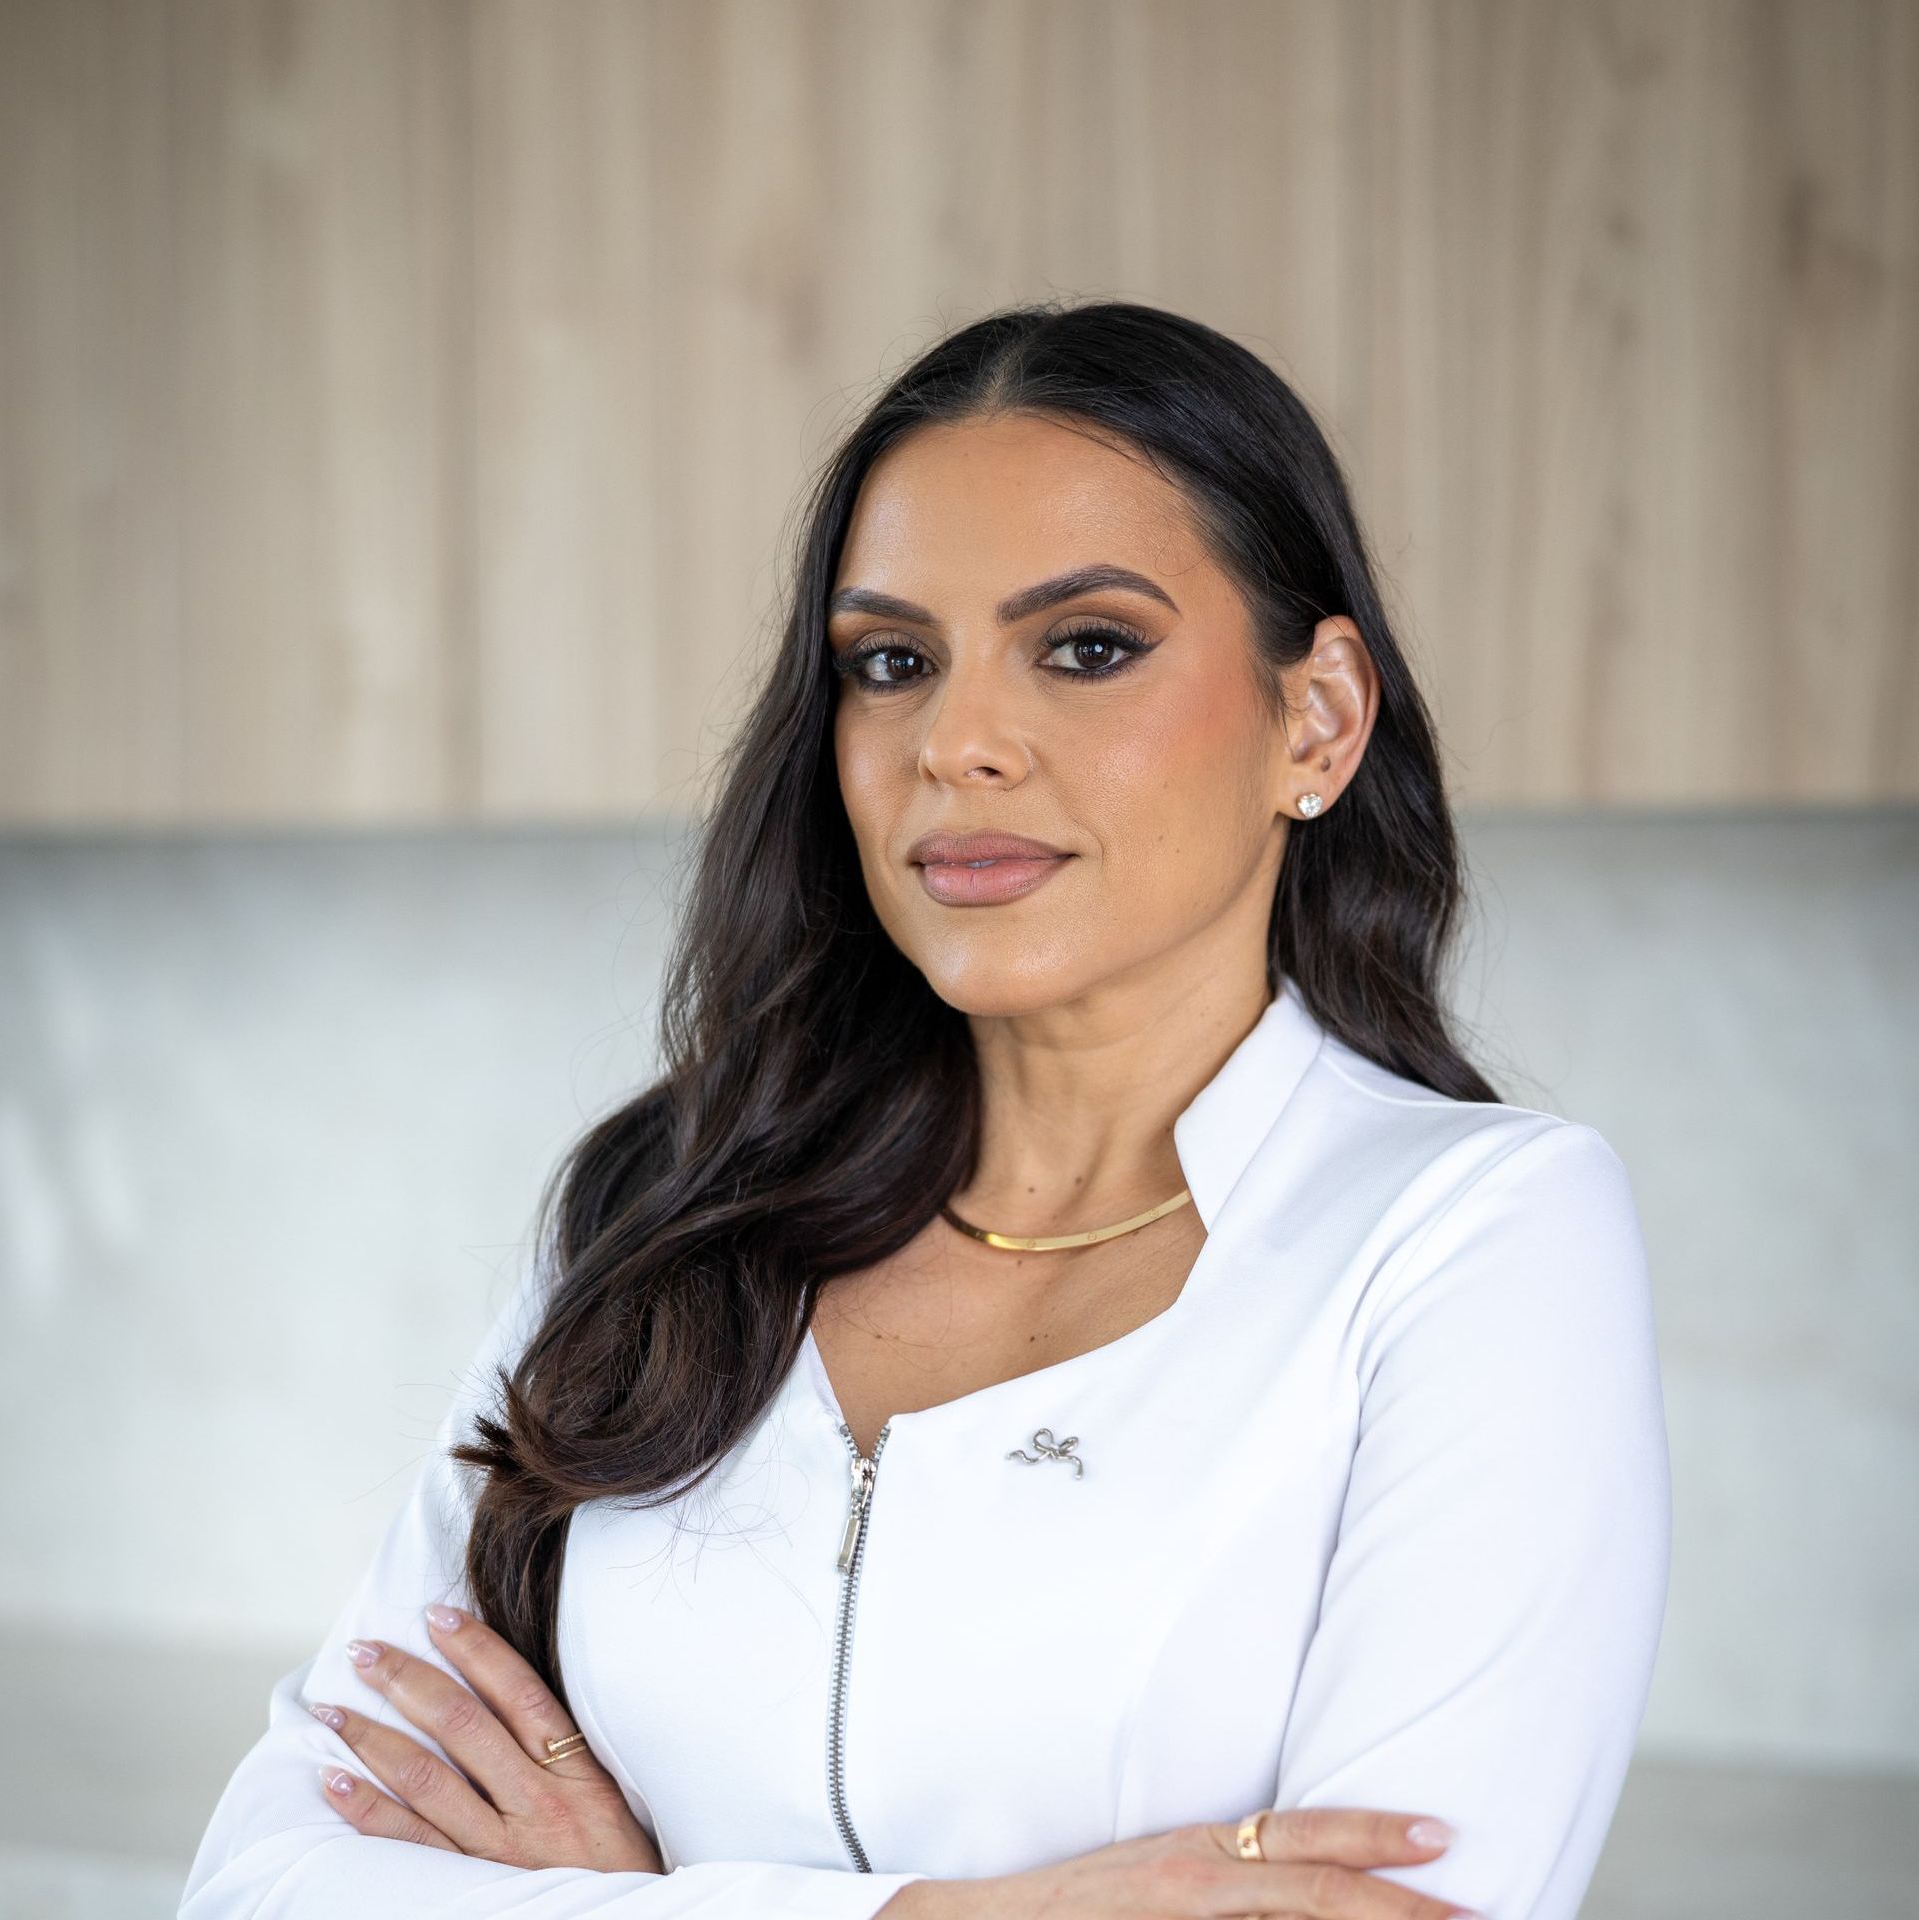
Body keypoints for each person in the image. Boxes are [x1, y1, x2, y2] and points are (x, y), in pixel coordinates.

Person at [181, 300, 1670, 1920]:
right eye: (891, 664)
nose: (955, 743)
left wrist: (635, 1898)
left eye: (1087, 647)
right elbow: (269, 1878)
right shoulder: (665, 1209)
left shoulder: (1475, 1238)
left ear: (1314, 718)